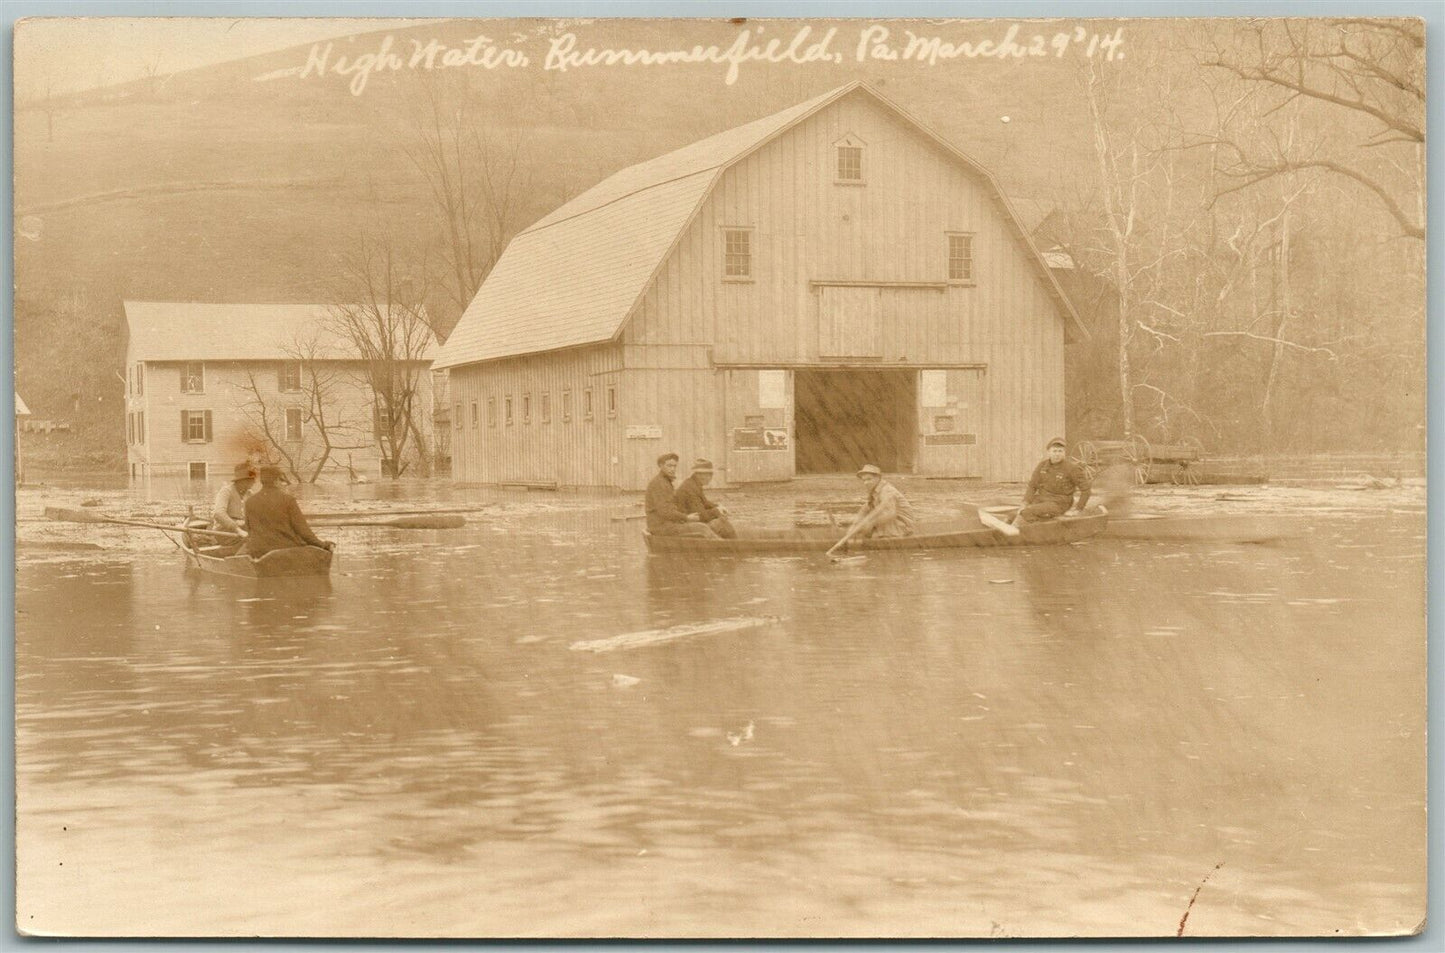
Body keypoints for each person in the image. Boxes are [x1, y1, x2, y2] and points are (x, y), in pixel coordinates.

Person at [243, 466, 335, 558]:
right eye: (281, 481)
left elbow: (249, 529)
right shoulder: (288, 500)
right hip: (285, 552)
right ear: (276, 481)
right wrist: (323, 545)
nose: (282, 484)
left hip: (259, 552)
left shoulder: (249, 502)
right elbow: (304, 532)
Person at [1014, 437, 1092, 525]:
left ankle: (1037, 533)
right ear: (1049, 452)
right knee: (1013, 514)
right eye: (1054, 451)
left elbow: (1086, 490)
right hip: (1042, 500)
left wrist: (1077, 509)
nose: (1057, 454)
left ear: (1064, 453)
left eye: (1060, 451)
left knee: (1027, 512)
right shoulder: (1042, 466)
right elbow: (1032, 486)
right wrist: (1025, 502)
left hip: (1060, 503)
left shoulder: (1072, 468)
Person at [645, 453, 718, 538]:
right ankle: (724, 547)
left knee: (701, 526)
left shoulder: (665, 482)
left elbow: (670, 508)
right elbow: (665, 511)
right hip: (661, 527)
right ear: (661, 466)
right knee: (702, 528)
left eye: (674, 466)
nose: (672, 469)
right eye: (669, 466)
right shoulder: (659, 484)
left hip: (667, 524)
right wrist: (686, 518)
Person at [848, 464, 916, 539]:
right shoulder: (874, 491)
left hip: (903, 525)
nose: (866, 483)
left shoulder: (887, 490)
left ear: (878, 478)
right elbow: (865, 509)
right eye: (864, 480)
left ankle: (886, 537)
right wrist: (855, 524)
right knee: (863, 529)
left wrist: (870, 523)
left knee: (872, 533)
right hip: (892, 522)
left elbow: (890, 513)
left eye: (869, 479)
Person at [674, 458, 737, 539]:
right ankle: (735, 545)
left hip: (691, 520)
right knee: (721, 522)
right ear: (700, 475)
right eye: (709, 474)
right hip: (687, 523)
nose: (710, 478)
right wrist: (716, 511)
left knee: (721, 519)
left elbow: (705, 502)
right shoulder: (690, 488)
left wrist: (718, 506)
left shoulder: (693, 484)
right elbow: (700, 515)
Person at [210, 462, 256, 537]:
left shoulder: (250, 494)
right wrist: (237, 529)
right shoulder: (226, 491)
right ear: (242, 480)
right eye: (251, 479)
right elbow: (218, 514)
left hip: (242, 529)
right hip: (223, 532)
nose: (254, 482)